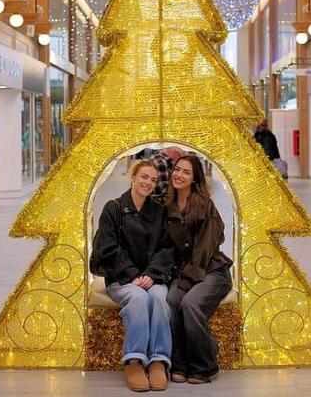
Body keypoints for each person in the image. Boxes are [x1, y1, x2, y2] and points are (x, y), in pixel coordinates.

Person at [90, 160, 174, 392]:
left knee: (159, 297)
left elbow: (166, 248)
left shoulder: (159, 211)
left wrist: (151, 274)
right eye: (144, 177)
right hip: (121, 278)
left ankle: (158, 360)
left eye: (153, 180)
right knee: (138, 298)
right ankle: (134, 360)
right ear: (133, 177)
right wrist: (133, 274)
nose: (148, 183)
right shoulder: (114, 208)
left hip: (151, 277)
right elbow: (107, 248)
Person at [165, 155, 232, 384]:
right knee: (171, 300)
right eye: (177, 169)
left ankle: (206, 365)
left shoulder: (204, 205)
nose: (179, 175)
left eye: (186, 172)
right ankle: (180, 364)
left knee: (190, 303)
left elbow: (204, 249)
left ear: (194, 179)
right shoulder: (167, 205)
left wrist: (187, 281)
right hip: (183, 271)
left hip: (212, 270)